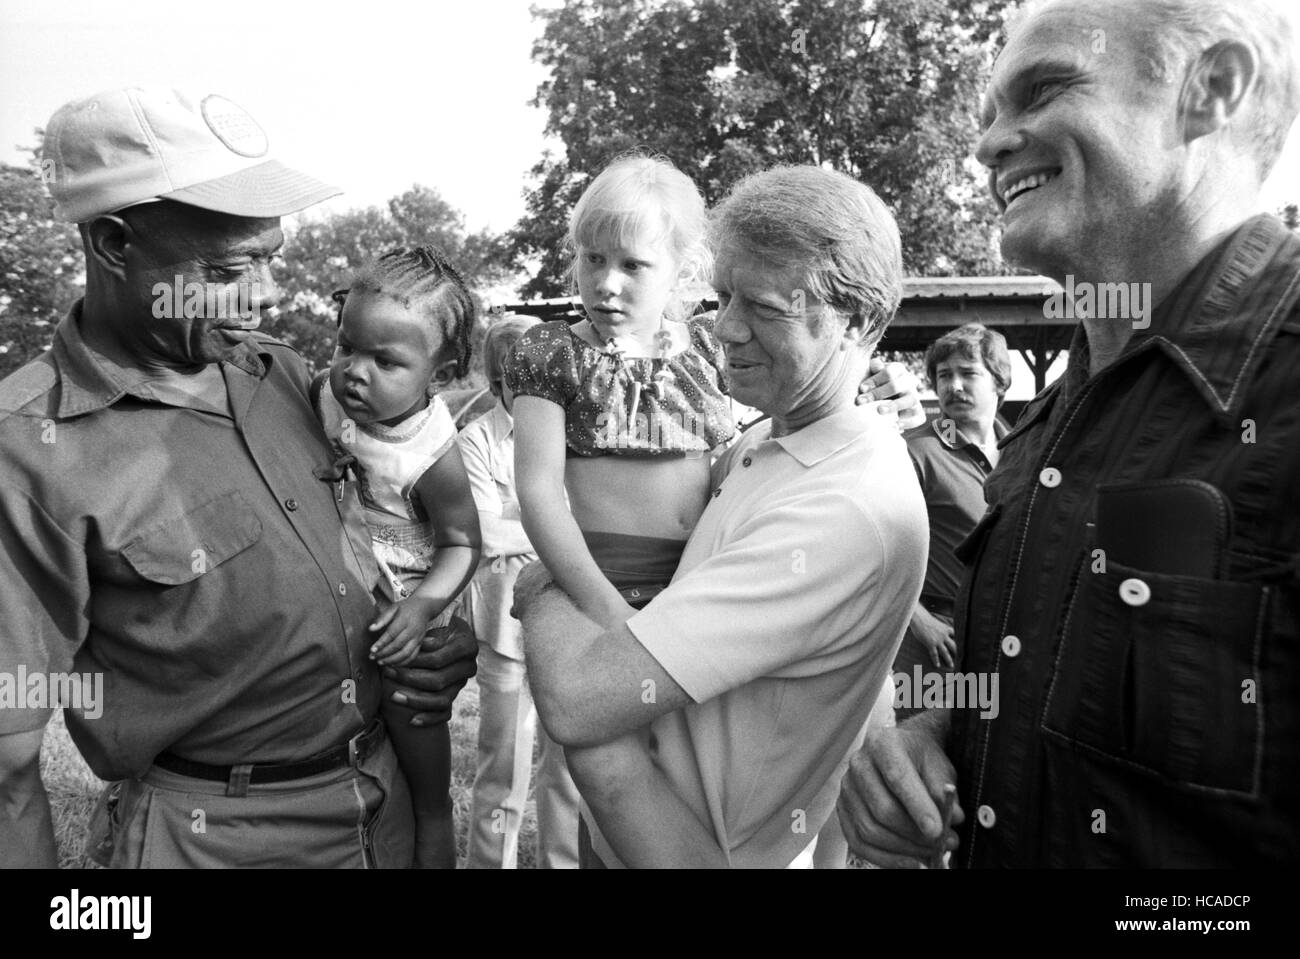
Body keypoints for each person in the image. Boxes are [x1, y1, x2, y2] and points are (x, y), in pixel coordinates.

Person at [838, 0, 1300, 868]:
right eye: (987, 117)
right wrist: (939, 736)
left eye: (1044, 90)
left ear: (1213, 90)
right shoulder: (1041, 431)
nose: (987, 146)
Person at [0, 86, 478, 868]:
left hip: (380, 804)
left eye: (271, 257)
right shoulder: (29, 451)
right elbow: (10, 762)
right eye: (229, 268)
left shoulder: (287, 377)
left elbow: (376, 546)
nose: (265, 294)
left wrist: (435, 640)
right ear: (115, 243)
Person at [514, 164, 929, 868]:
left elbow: (580, 699)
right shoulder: (767, 443)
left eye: (764, 307)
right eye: (724, 294)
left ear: (856, 321)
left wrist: (545, 589)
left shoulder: (842, 506)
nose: (726, 327)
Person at [312, 246, 483, 868]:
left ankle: (435, 835)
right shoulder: (323, 397)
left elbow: (464, 542)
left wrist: (422, 612)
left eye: (386, 361)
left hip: (407, 602)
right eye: (345, 347)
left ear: (439, 375)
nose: (355, 372)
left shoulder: (431, 453)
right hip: (343, 585)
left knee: (413, 722)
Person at [458, 314, 581, 869]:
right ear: (496, 383)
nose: (537, 389)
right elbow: (484, 534)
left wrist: (524, 531)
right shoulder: (476, 440)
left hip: (570, 627)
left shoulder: (577, 433)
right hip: (505, 631)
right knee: (501, 771)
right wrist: (558, 532)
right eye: (521, 379)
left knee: (571, 772)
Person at [895, 323, 1011, 694]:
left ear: (998, 382)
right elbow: (868, 548)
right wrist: (918, 620)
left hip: (1006, 632)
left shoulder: (1025, 453)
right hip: (937, 637)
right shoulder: (913, 451)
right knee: (923, 743)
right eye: (944, 375)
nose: (954, 385)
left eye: (968, 373)